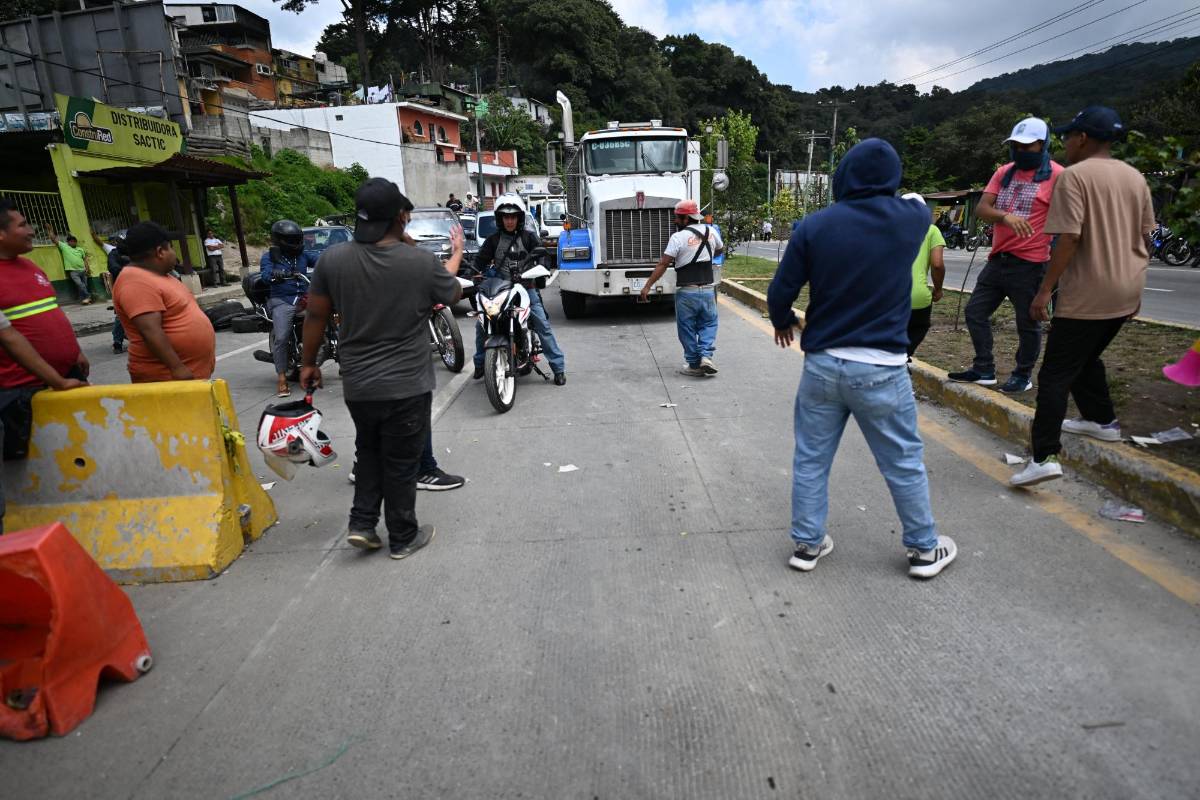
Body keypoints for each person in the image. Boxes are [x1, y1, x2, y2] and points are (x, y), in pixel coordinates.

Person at [767, 139, 957, 579]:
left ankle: (807, 545)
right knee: (902, 461)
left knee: (812, 458)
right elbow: (913, 197)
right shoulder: (911, 220)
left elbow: (781, 290)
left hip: (822, 363)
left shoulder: (813, 226)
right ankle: (924, 551)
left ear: (842, 177)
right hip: (883, 369)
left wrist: (781, 321)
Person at [301, 177, 462, 559]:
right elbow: (452, 291)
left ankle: (361, 525)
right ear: (401, 217)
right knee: (402, 464)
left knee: (369, 452)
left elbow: (315, 316)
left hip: (359, 384)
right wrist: (451, 252)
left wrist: (308, 363)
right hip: (406, 385)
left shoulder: (333, 260)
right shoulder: (419, 263)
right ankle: (403, 536)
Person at [1011, 107, 1154, 487]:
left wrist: (1044, 290)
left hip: (1087, 292)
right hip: (1126, 290)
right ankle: (1100, 420)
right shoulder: (1135, 177)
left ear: (1083, 139)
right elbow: (1147, 238)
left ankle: (1043, 456)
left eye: (1069, 136)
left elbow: (1069, 238)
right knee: (1085, 357)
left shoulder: (1074, 177)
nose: (1065, 142)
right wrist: (1135, 282)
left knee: (1055, 373)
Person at [948, 117, 1065, 393]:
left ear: (1043, 144)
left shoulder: (1058, 176)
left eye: (1028, 146)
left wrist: (1053, 275)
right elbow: (982, 208)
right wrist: (1006, 217)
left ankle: (1022, 375)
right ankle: (984, 368)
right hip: (998, 259)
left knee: (1028, 323)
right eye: (1016, 146)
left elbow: (1067, 224)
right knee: (975, 312)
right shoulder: (1004, 172)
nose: (1021, 151)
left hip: (1031, 263)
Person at [0, 198, 89, 533]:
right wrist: (56, 380)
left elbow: (53, 314)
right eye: (22, 224)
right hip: (24, 388)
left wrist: (74, 352)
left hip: (66, 374)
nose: (30, 230)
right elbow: (9, 338)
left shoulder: (32, 267)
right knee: (35, 462)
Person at [471, 194, 567, 385]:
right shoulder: (493, 240)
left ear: (519, 218)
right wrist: (473, 273)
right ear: (500, 219)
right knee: (482, 323)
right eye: (506, 217)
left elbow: (543, 257)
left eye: (513, 216)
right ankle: (480, 364)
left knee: (541, 324)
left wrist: (540, 268)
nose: (509, 220)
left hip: (525, 287)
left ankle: (558, 367)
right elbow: (479, 261)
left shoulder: (528, 237)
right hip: (500, 289)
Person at [113, 222, 216, 383]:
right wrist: (177, 368)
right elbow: (150, 331)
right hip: (168, 379)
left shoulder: (159, 275)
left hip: (189, 377)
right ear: (160, 252)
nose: (174, 254)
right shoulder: (136, 281)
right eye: (171, 248)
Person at [641, 199, 724, 376]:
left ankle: (694, 364)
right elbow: (719, 250)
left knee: (686, 328)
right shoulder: (711, 231)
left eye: (678, 218)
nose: (675, 221)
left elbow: (663, 264)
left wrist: (647, 286)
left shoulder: (677, 238)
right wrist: (705, 253)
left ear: (687, 219)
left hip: (687, 292)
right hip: (708, 289)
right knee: (708, 323)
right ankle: (706, 356)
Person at [260, 220, 318, 397]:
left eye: (297, 239)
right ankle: (282, 378)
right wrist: (274, 275)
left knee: (328, 316)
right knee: (282, 337)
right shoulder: (269, 257)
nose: (296, 243)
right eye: (291, 240)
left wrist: (336, 259)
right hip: (282, 300)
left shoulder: (302, 255)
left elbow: (321, 259)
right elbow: (265, 275)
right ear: (279, 240)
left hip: (304, 299)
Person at [900, 193, 946, 360]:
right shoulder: (932, 230)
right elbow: (937, 264)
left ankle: (898, 359)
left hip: (888, 297)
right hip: (917, 297)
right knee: (918, 327)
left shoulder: (886, 229)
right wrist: (938, 289)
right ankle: (903, 357)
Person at [96, 232, 130, 354]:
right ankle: (117, 342)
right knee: (121, 316)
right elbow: (113, 268)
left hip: (139, 286)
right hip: (122, 288)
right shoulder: (114, 254)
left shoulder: (135, 253)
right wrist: (130, 270)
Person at [47, 225, 92, 304]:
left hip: (83, 270)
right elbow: (53, 239)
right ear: (68, 242)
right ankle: (88, 296)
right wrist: (51, 229)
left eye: (74, 241)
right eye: (71, 241)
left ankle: (84, 300)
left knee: (84, 285)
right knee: (81, 285)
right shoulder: (64, 247)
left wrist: (87, 268)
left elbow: (84, 259)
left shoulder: (80, 249)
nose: (73, 242)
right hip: (73, 271)